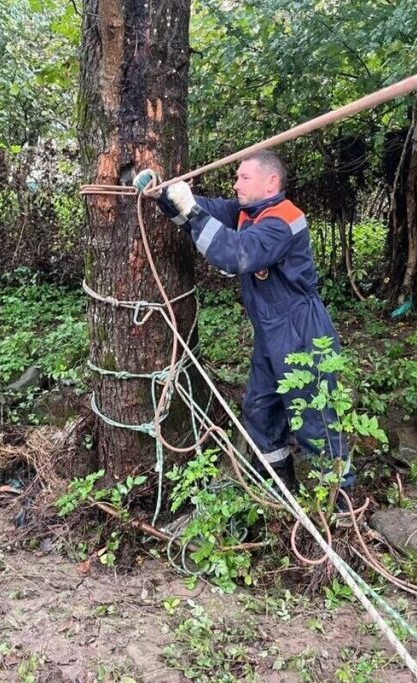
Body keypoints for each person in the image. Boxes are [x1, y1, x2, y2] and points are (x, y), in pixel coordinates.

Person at [133, 151, 354, 502]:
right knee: (260, 408)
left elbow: (235, 255)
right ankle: (281, 488)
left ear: (271, 182)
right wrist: (164, 194)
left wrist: (190, 209)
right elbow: (202, 216)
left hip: (300, 329)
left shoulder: (283, 220)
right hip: (271, 332)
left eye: (243, 178)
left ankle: (340, 505)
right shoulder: (248, 212)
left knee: (314, 416)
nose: (235, 184)